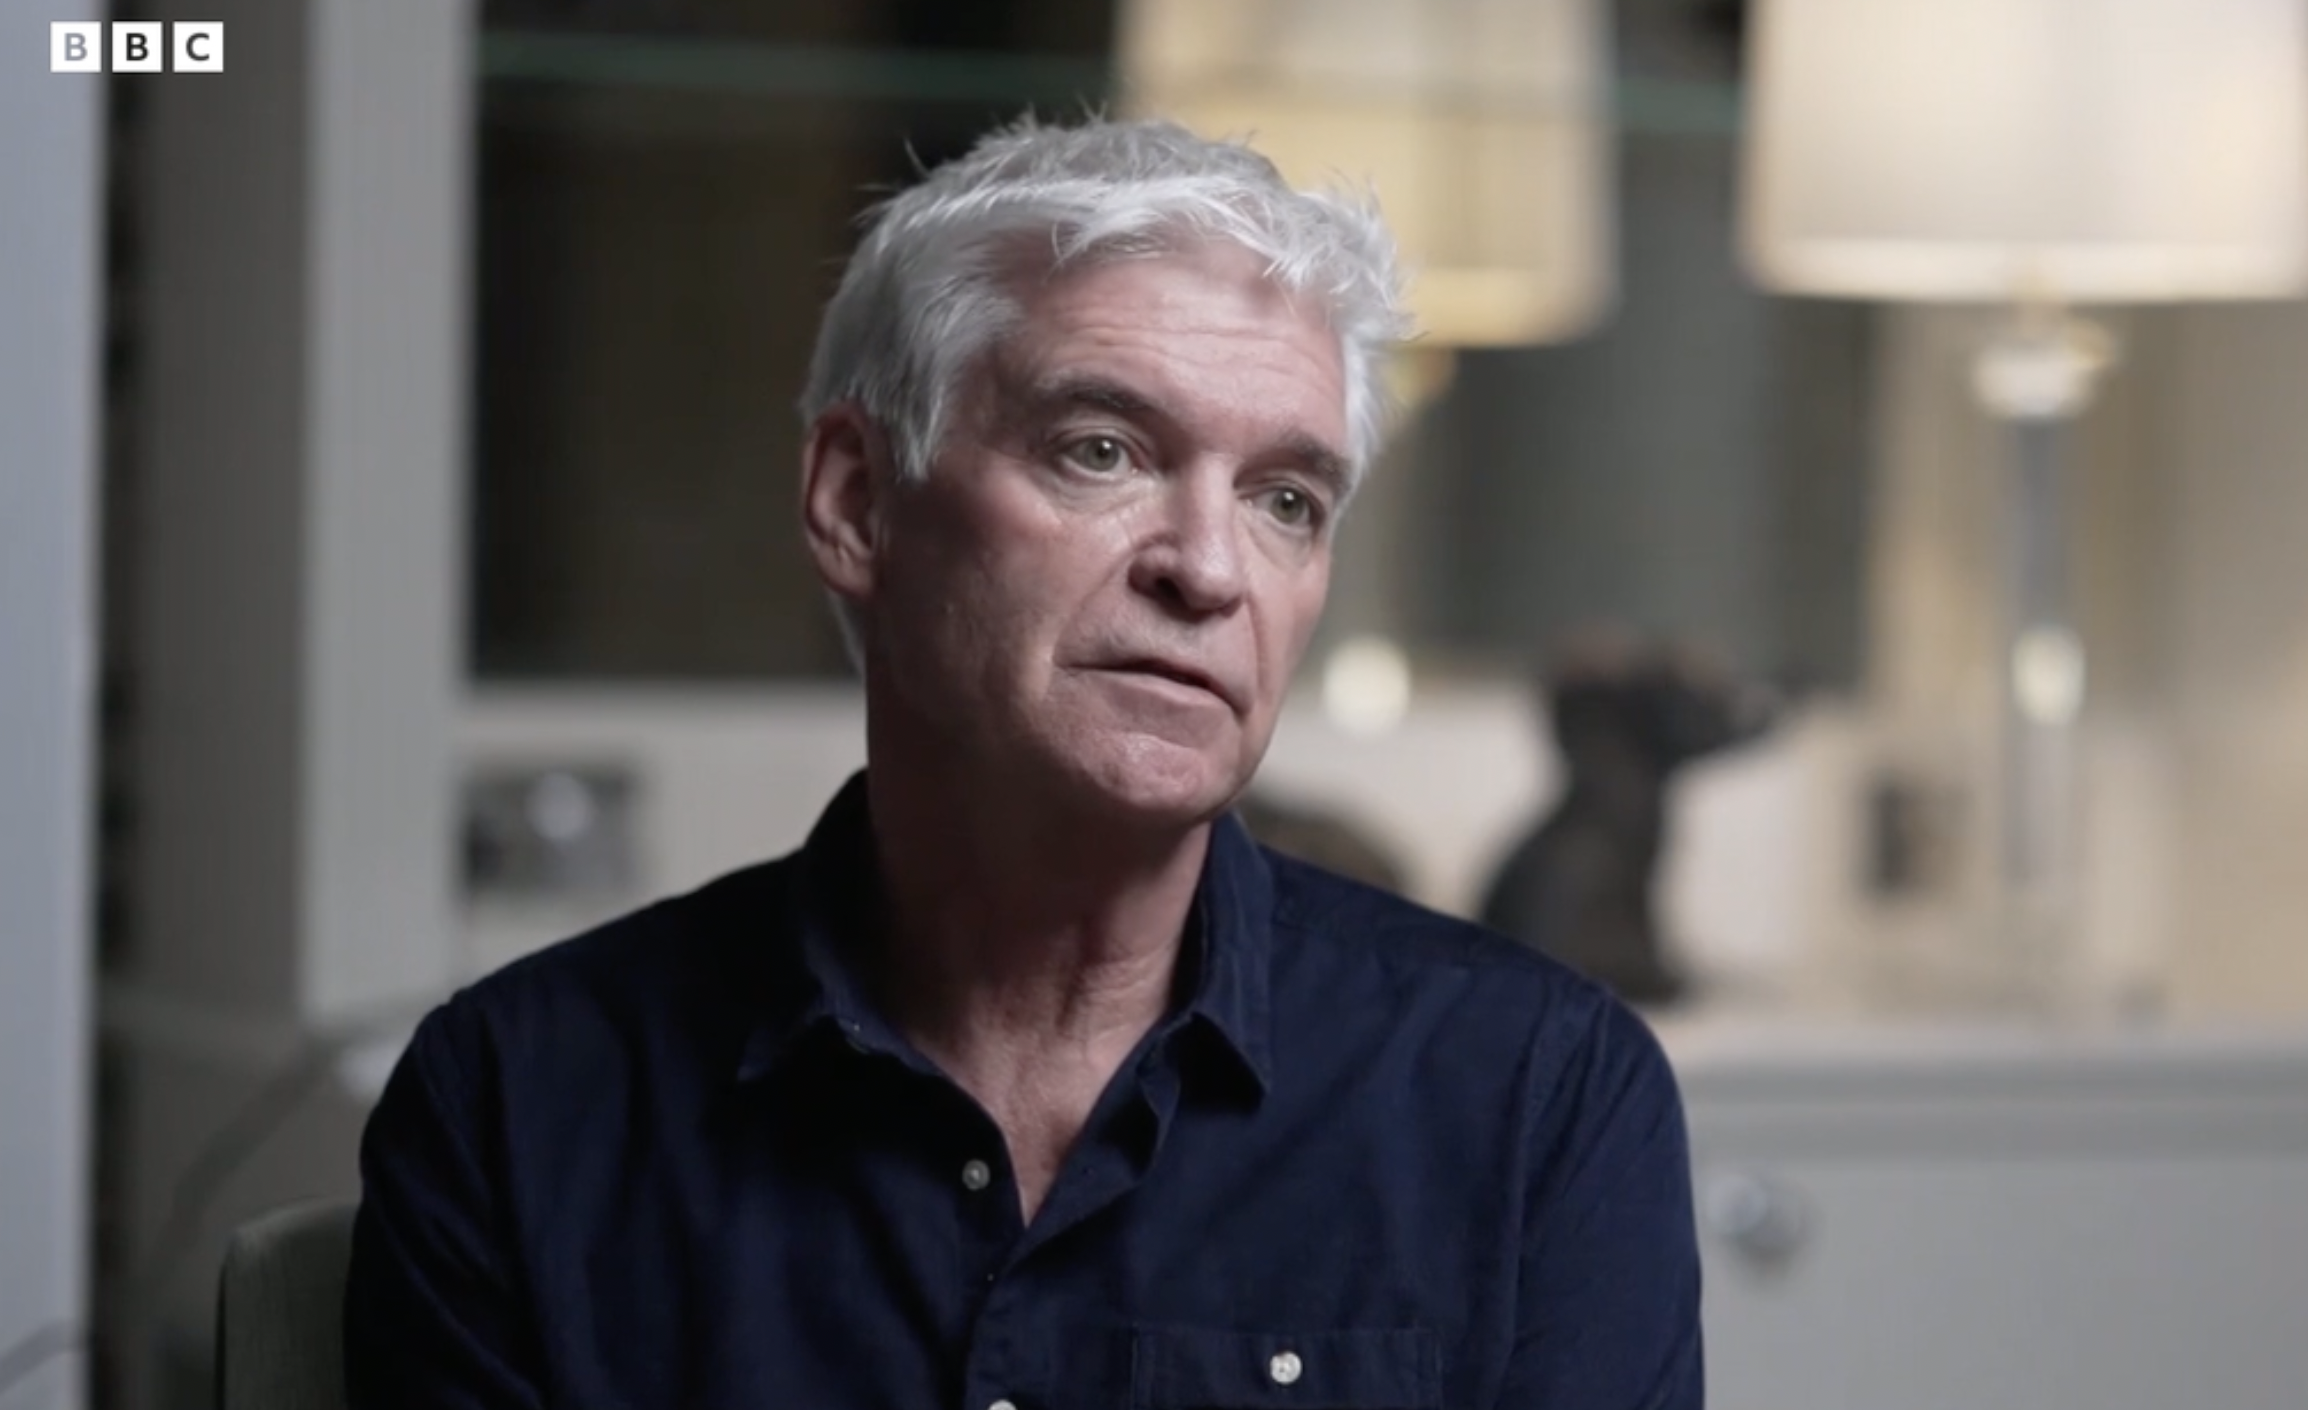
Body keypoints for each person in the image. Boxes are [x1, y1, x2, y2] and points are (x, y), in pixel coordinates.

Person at [345, 116, 1703, 1409]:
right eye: (1102, 451)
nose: (1209, 569)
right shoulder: (517, 1104)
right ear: (857, 501)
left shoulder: (1538, 1098)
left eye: (1285, 501)